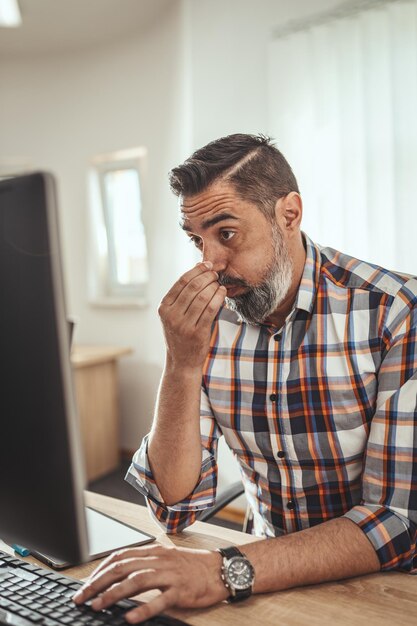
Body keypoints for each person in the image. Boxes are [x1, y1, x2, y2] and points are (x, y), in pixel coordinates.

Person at [74, 134, 417, 624]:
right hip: (263, 582)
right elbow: (174, 508)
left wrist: (222, 571)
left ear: (289, 215)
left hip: (377, 590)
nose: (209, 262)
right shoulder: (210, 318)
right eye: (196, 239)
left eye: (226, 234)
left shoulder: (395, 311)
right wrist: (181, 363)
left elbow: (398, 521)